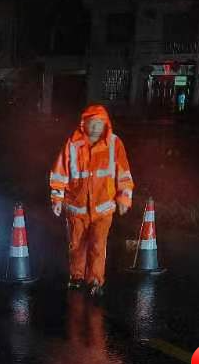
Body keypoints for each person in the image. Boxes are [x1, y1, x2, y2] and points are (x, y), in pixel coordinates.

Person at [49, 104, 135, 296]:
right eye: (92, 123)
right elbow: (60, 172)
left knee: (98, 245)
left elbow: (124, 174)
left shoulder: (114, 144)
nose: (96, 127)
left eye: (100, 123)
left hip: (103, 209)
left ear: (106, 124)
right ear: (84, 124)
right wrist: (57, 198)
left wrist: (124, 198)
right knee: (76, 245)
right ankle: (76, 277)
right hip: (76, 208)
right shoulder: (72, 145)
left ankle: (96, 281)